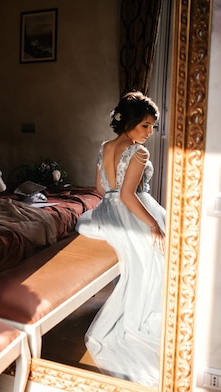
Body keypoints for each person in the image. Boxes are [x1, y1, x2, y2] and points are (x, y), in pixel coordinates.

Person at [76, 91, 166, 387]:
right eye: (145, 126)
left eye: (152, 126)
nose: (150, 133)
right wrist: (153, 224)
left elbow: (101, 190)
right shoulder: (139, 153)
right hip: (130, 208)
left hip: (105, 212)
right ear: (129, 123)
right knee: (162, 245)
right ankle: (143, 320)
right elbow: (129, 196)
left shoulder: (104, 146)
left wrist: (110, 209)